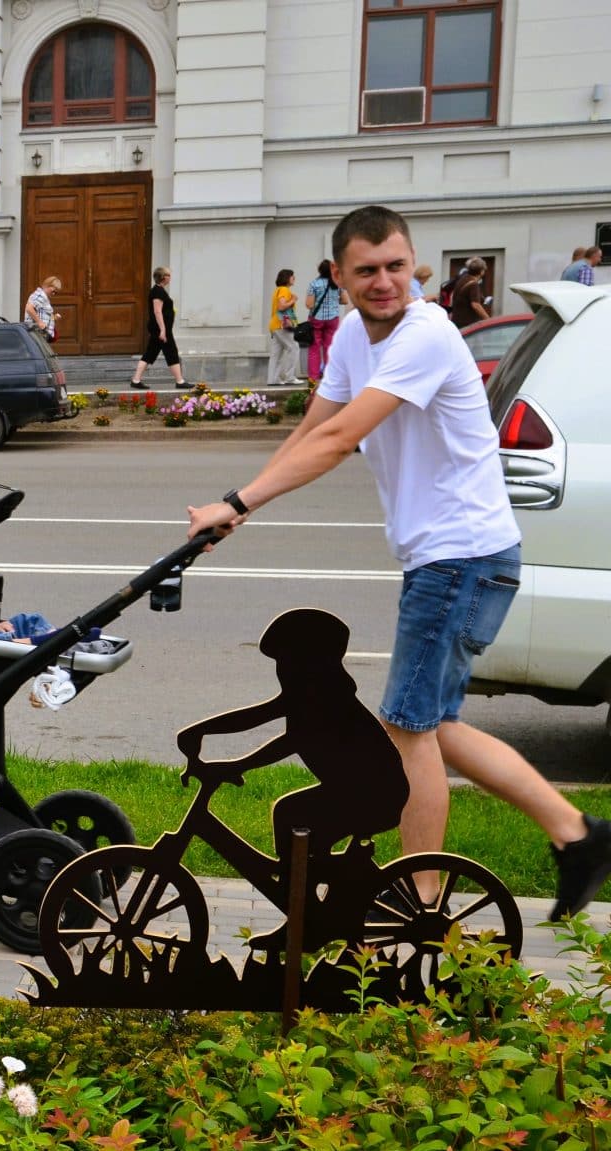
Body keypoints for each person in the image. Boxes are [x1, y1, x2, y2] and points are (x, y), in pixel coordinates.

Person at [185, 204, 611, 923]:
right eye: (367, 272)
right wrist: (240, 507)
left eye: (396, 267)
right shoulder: (356, 333)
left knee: (410, 732)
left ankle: (419, 903)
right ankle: (580, 836)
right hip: (449, 557)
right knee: (432, 725)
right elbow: (317, 424)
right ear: (340, 278)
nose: (385, 282)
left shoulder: (426, 334)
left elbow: (347, 434)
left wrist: (239, 499)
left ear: (414, 264)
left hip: (462, 557)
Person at [176, 608, 407, 888]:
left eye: (286, 660)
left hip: (375, 795)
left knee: (290, 815)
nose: (281, 669)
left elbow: (290, 741)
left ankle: (304, 909)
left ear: (310, 662)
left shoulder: (325, 698)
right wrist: (202, 733)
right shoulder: (314, 694)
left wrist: (232, 762)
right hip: (361, 789)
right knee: (298, 828)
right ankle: (306, 899)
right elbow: (258, 717)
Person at [130, 267, 184, 390]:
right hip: (161, 329)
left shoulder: (159, 290)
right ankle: (180, 381)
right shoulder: (157, 292)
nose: (170, 277)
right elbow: (157, 311)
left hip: (161, 329)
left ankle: (136, 380)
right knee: (169, 352)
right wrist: (163, 330)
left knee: (153, 353)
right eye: (168, 275)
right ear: (163, 277)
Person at [304, 259, 345, 382]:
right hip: (332, 319)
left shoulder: (314, 284)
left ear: (319, 270)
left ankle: (313, 378)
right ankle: (329, 377)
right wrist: (333, 301)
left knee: (314, 348)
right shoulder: (337, 284)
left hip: (316, 319)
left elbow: (309, 305)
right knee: (329, 347)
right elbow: (345, 300)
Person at [267, 268, 301, 385]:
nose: (294, 278)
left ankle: (273, 379)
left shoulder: (277, 290)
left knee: (277, 353)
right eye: (292, 276)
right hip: (282, 325)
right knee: (294, 347)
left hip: (275, 325)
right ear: (287, 278)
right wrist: (293, 300)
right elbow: (282, 307)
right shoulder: (284, 290)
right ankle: (290, 377)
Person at [447, 257, 490, 327]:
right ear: (481, 271)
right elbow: (476, 305)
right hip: (467, 323)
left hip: (457, 320)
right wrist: (488, 319)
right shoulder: (473, 284)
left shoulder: (463, 279)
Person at [24, 276, 61, 343]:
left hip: (40, 334)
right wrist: (39, 322)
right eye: (53, 291)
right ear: (47, 285)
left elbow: (43, 315)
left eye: (56, 293)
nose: (53, 294)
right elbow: (29, 308)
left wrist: (54, 318)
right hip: (37, 333)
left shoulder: (44, 297)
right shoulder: (40, 296)